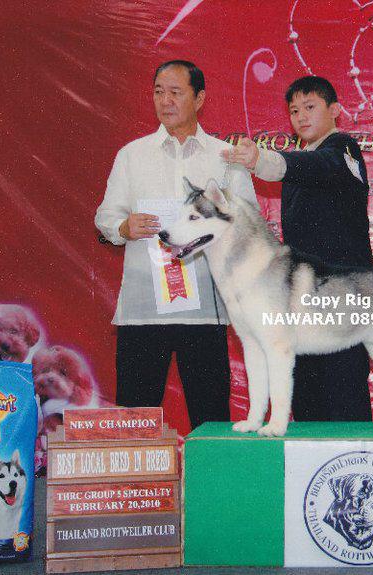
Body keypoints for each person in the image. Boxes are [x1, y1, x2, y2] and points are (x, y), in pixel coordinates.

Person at [95, 60, 256, 428]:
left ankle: (210, 471)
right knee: (135, 419)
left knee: (210, 419)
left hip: (205, 311)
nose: (164, 101)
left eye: (175, 92)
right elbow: (105, 217)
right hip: (143, 310)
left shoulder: (225, 158)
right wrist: (124, 226)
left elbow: (248, 225)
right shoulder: (132, 155)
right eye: (158, 92)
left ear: (199, 99)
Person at [224, 76, 373, 422]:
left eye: (310, 107)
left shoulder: (343, 148)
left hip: (341, 294)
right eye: (294, 111)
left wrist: (261, 160)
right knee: (306, 390)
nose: (301, 116)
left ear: (335, 110)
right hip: (301, 297)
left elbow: (321, 166)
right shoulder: (301, 160)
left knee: (343, 388)